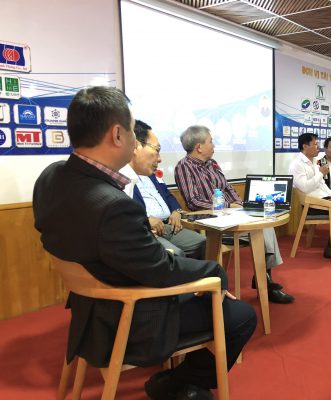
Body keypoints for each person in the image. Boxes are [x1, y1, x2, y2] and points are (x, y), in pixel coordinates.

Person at [32, 87, 256, 400]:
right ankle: (175, 382)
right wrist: (216, 272)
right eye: (132, 132)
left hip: (88, 309)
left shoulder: (51, 176)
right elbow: (160, 269)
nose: (136, 143)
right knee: (242, 316)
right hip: (128, 317)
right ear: (117, 135)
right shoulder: (112, 205)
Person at [175, 125, 294, 304]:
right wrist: (228, 206)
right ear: (199, 147)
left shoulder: (212, 164)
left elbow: (227, 187)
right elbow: (193, 201)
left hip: (231, 214)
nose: (214, 145)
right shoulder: (184, 167)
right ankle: (264, 282)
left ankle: (264, 278)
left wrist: (241, 204)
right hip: (210, 222)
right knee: (264, 229)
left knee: (264, 224)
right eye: (210, 141)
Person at [121, 120, 206, 259]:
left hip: (168, 224)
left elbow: (168, 194)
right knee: (175, 254)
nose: (160, 159)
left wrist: (177, 211)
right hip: (147, 228)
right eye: (157, 150)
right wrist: (145, 220)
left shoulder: (151, 174)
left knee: (202, 242)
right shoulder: (122, 178)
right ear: (136, 146)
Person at [289, 132, 331, 261]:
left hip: (323, 198)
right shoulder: (297, 164)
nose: (318, 147)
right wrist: (320, 173)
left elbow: (321, 183)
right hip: (312, 204)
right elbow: (305, 187)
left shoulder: (313, 161)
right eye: (315, 144)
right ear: (305, 146)